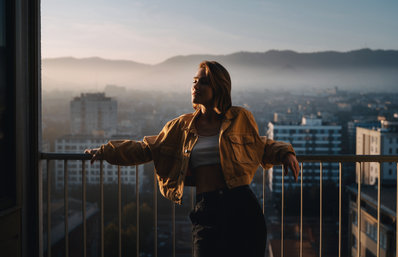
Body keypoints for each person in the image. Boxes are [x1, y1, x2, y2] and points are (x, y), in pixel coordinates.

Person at [85, 61, 300, 257]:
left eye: (203, 82)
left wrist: (286, 152)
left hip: (242, 207)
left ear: (218, 87)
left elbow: (260, 145)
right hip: (207, 208)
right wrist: (105, 151)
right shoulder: (180, 126)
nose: (196, 86)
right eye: (194, 81)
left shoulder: (240, 118)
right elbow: (146, 148)